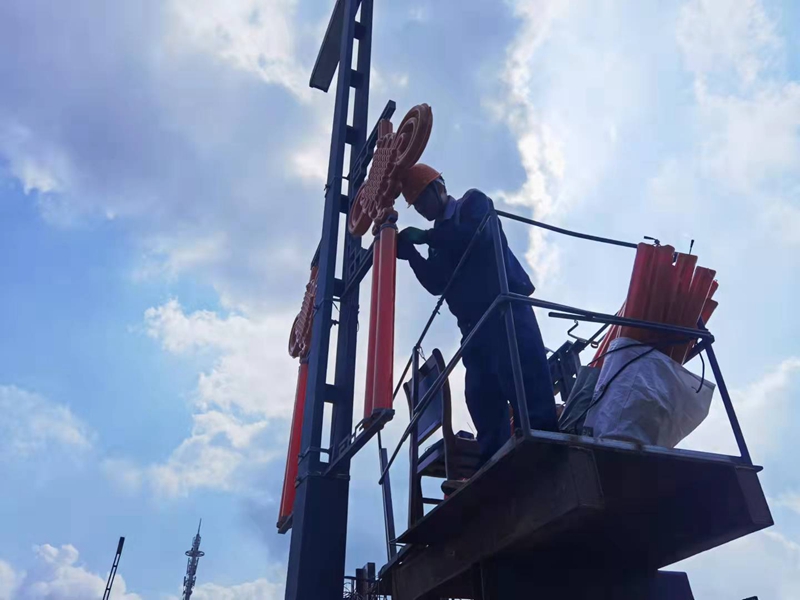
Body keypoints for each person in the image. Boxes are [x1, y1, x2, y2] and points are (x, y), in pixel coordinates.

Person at [396, 163, 558, 466]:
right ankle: (496, 463)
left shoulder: (472, 203)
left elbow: (474, 237)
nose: (420, 208)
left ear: (438, 188)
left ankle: (545, 450)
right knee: (481, 396)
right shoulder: (438, 240)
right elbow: (437, 284)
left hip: (505, 310)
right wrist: (412, 256)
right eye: (415, 205)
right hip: (474, 328)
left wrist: (428, 238)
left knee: (524, 380)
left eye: (421, 199)